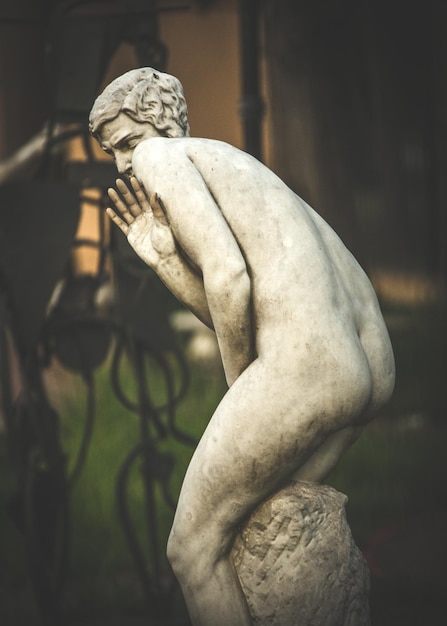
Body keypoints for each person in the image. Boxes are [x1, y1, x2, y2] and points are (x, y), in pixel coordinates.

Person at [89, 67, 395, 626]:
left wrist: (241, 387)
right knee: (255, 529)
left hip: (301, 371)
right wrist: (163, 261)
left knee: (192, 551)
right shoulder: (245, 172)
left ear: (158, 124)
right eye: (113, 153)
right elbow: (337, 305)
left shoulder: (163, 157)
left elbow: (229, 279)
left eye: (127, 142)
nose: (125, 165)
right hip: (362, 376)